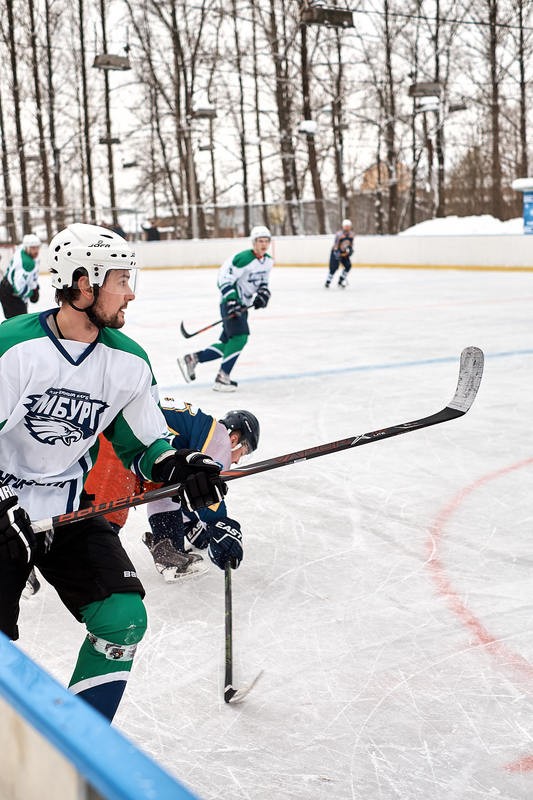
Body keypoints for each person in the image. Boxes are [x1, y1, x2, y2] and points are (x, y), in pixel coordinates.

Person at [0, 221, 228, 723]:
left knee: (123, 619)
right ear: (83, 283)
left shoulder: (128, 361)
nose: (130, 293)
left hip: (68, 509)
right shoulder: (12, 347)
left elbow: (144, 442)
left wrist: (180, 463)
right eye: (120, 279)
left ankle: (80, 742)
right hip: (4, 510)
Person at [84, 404, 259, 582]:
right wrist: (219, 523)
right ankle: (87, 565)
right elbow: (206, 486)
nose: (237, 461)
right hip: (121, 443)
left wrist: (192, 526)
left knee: (166, 489)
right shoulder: (220, 436)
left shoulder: (199, 431)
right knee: (108, 516)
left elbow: (183, 490)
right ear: (234, 439)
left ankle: (170, 553)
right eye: (244, 452)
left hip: (145, 453)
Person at [177, 225, 274, 392]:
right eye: (260, 241)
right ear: (253, 242)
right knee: (240, 338)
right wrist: (231, 300)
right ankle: (222, 378)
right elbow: (224, 278)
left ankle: (193, 359)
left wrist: (263, 294)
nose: (263, 244)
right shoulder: (242, 259)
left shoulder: (268, 261)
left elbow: (262, 282)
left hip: (243, 306)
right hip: (230, 304)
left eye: (266, 241)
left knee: (228, 343)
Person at [0, 233, 41, 319]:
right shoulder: (26, 262)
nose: (36, 251)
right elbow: (19, 288)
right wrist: (32, 293)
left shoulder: (22, 251)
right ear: (27, 247)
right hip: (10, 293)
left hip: (7, 288)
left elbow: (31, 277)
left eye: (37, 247)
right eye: (33, 248)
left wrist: (34, 286)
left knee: (20, 319)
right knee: (19, 321)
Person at [325, 218, 354, 289]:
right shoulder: (339, 234)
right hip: (336, 252)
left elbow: (350, 244)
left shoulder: (351, 235)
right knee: (334, 267)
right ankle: (328, 282)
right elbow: (336, 245)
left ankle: (341, 280)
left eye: (348, 226)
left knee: (348, 266)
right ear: (343, 226)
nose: (347, 227)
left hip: (343, 252)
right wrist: (337, 254)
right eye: (345, 226)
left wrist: (350, 250)